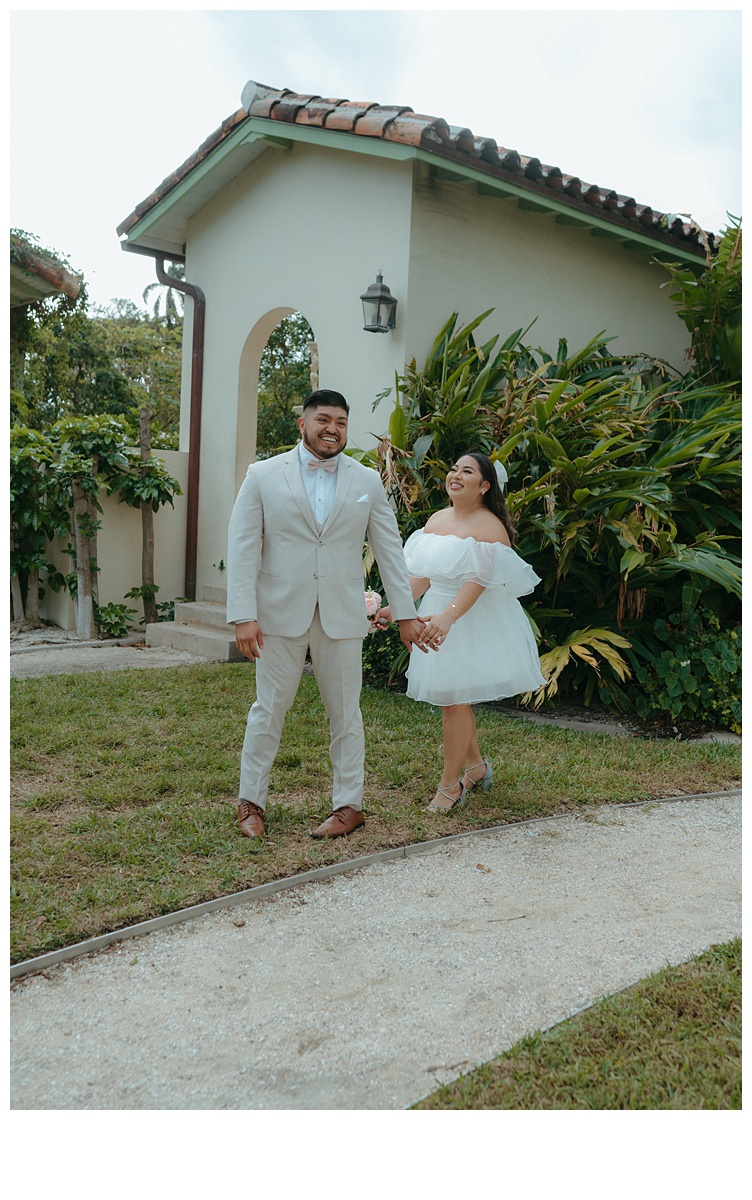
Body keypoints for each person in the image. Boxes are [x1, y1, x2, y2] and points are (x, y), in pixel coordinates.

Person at [226, 389, 427, 840]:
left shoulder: (366, 480)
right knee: (268, 710)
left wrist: (407, 614)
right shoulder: (262, 475)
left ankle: (348, 806)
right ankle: (250, 803)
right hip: (277, 617)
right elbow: (242, 547)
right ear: (303, 424)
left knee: (346, 714)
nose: (331, 428)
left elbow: (389, 550)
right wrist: (243, 614)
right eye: (322, 419)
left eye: (340, 421)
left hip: (341, 615)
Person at [376, 452, 546, 812]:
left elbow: (479, 580)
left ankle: (450, 786)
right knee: (452, 698)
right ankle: (477, 766)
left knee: (453, 701)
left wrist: (448, 618)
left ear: (485, 486)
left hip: (469, 618)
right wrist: (397, 609)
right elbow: (424, 575)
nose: (455, 475)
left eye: (466, 472)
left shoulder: (489, 527)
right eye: (453, 469)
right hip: (436, 611)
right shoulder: (437, 519)